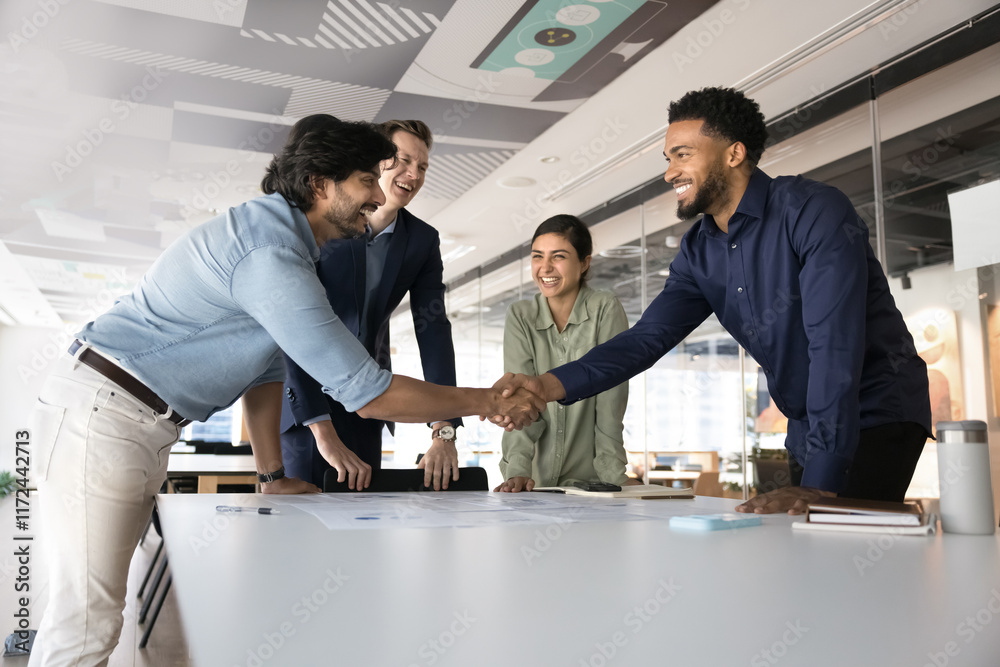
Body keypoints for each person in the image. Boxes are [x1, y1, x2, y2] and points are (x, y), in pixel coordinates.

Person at [27, 115, 543, 666]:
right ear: (322, 183)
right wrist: (488, 402)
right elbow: (365, 391)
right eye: (367, 179)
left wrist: (270, 476)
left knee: (97, 616)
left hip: (130, 419)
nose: (379, 191)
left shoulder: (289, 243)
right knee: (87, 623)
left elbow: (269, 369)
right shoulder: (269, 253)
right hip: (106, 415)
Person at [490, 87, 931, 514]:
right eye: (669, 158)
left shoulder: (813, 212)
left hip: (876, 410)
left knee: (842, 549)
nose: (669, 173)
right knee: (806, 550)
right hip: (807, 425)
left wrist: (819, 484)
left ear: (733, 154)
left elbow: (833, 346)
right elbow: (646, 338)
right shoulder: (699, 251)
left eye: (683, 154)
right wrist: (546, 386)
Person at [280, 119, 463, 491]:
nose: (413, 173)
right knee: (297, 528)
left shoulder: (422, 241)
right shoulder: (323, 225)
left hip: (370, 403)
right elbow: (289, 327)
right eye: (402, 159)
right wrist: (321, 428)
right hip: (308, 406)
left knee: (361, 526)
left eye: (423, 166)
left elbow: (433, 330)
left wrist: (443, 430)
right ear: (375, 160)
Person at [495, 215, 631, 492]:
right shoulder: (520, 316)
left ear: (584, 263)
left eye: (558, 256)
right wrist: (517, 469)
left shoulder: (604, 308)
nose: (545, 268)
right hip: (534, 483)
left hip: (591, 482)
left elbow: (609, 403)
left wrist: (612, 478)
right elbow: (519, 400)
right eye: (537, 256)